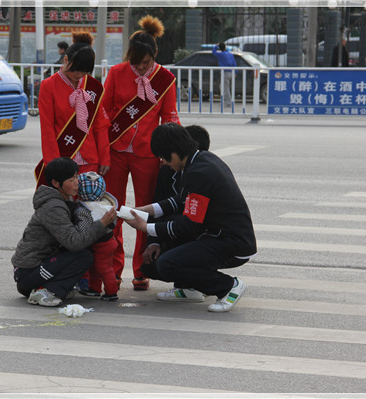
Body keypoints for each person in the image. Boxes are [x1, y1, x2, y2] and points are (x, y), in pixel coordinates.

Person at [123, 123, 257, 313]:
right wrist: (145, 210)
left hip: (231, 242)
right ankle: (190, 290)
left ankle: (228, 287)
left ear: (174, 152)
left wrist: (145, 227)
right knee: (160, 263)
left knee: (167, 263)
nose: (163, 162)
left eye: (163, 156)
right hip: (220, 236)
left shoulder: (199, 172)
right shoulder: (201, 160)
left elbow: (188, 226)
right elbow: (180, 200)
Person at [103, 15, 180, 291]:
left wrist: (170, 154)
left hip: (148, 154)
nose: (140, 68)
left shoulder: (165, 79)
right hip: (115, 151)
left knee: (144, 213)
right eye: (135, 62)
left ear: (155, 55)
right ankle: (112, 268)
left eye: (145, 63)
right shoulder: (116, 73)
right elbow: (103, 112)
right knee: (113, 209)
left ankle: (141, 269)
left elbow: (169, 117)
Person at [11, 157, 117, 307]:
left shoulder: (65, 201)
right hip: (28, 274)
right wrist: (101, 224)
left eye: (76, 177)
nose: (77, 182)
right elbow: (74, 242)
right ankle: (47, 291)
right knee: (84, 256)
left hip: (40, 266)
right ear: (56, 183)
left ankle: (53, 287)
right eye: (71, 179)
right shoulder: (54, 207)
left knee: (86, 251)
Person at [140, 125, 211, 302]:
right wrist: (154, 240)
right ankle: (186, 286)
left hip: (204, 235)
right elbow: (159, 205)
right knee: (151, 266)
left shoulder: (204, 173)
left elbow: (193, 221)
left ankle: (201, 284)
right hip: (178, 230)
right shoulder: (166, 171)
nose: (164, 161)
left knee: (182, 231)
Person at [35, 32, 110, 187]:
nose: (80, 75)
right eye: (76, 71)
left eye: (84, 72)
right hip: (63, 159)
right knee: (64, 208)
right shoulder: (49, 86)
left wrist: (105, 157)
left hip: (90, 159)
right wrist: (53, 163)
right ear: (66, 60)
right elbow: (47, 128)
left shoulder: (94, 87)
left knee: (89, 208)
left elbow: (100, 125)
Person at [75, 171, 119, 301]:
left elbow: (83, 229)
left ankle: (111, 292)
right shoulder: (107, 205)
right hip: (109, 241)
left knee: (104, 268)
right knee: (96, 267)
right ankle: (94, 288)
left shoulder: (84, 210)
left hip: (100, 244)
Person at [212, 42, 237, 109]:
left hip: (225, 73)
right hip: (231, 72)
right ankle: (224, 99)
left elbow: (214, 52)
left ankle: (228, 101)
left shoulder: (221, 54)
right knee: (222, 86)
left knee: (226, 88)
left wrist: (215, 46)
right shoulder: (230, 54)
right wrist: (236, 72)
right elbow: (234, 63)